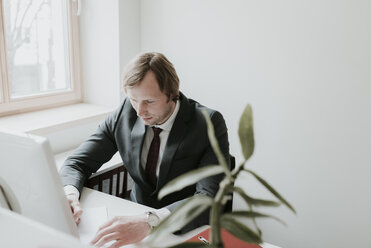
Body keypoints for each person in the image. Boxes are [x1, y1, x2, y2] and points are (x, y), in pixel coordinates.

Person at [59, 52, 230, 247]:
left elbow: (208, 199)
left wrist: (150, 220)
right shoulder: (126, 111)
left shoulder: (208, 123)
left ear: (171, 94)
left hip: (183, 230)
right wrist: (69, 195)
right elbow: (77, 162)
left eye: (149, 101)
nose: (139, 111)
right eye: (133, 99)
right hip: (133, 215)